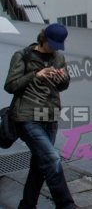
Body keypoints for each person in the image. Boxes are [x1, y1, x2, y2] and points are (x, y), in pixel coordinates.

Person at [4, 23, 75, 209]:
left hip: (50, 116)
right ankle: (66, 205)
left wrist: (63, 79)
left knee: (40, 165)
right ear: (44, 39)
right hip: (27, 116)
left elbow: (62, 86)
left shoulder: (58, 57)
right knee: (52, 158)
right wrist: (36, 75)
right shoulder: (23, 56)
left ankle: (27, 205)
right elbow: (10, 85)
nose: (55, 49)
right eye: (53, 44)